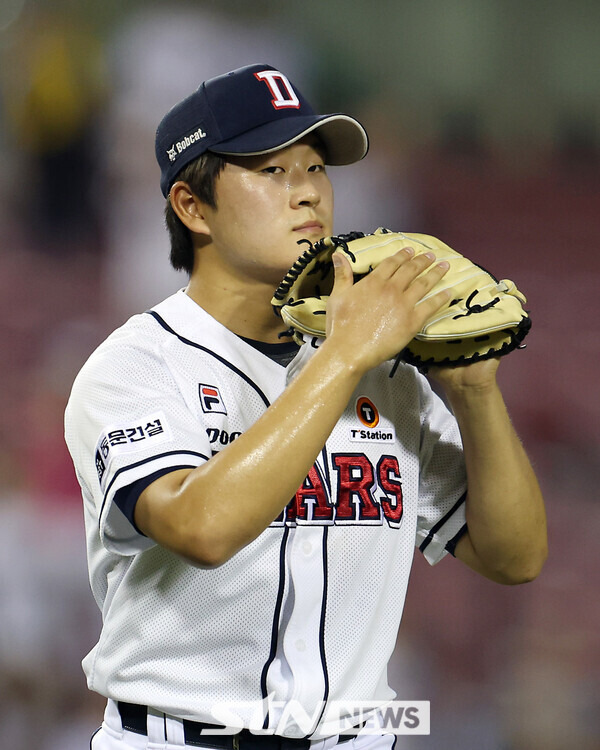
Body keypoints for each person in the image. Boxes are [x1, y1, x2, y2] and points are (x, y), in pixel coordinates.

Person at [64, 64, 547, 750]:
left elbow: (516, 556)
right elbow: (201, 527)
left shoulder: (389, 376)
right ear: (192, 206)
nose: (308, 195)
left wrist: (475, 394)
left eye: (316, 168)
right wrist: (344, 356)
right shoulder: (136, 365)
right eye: (271, 171)